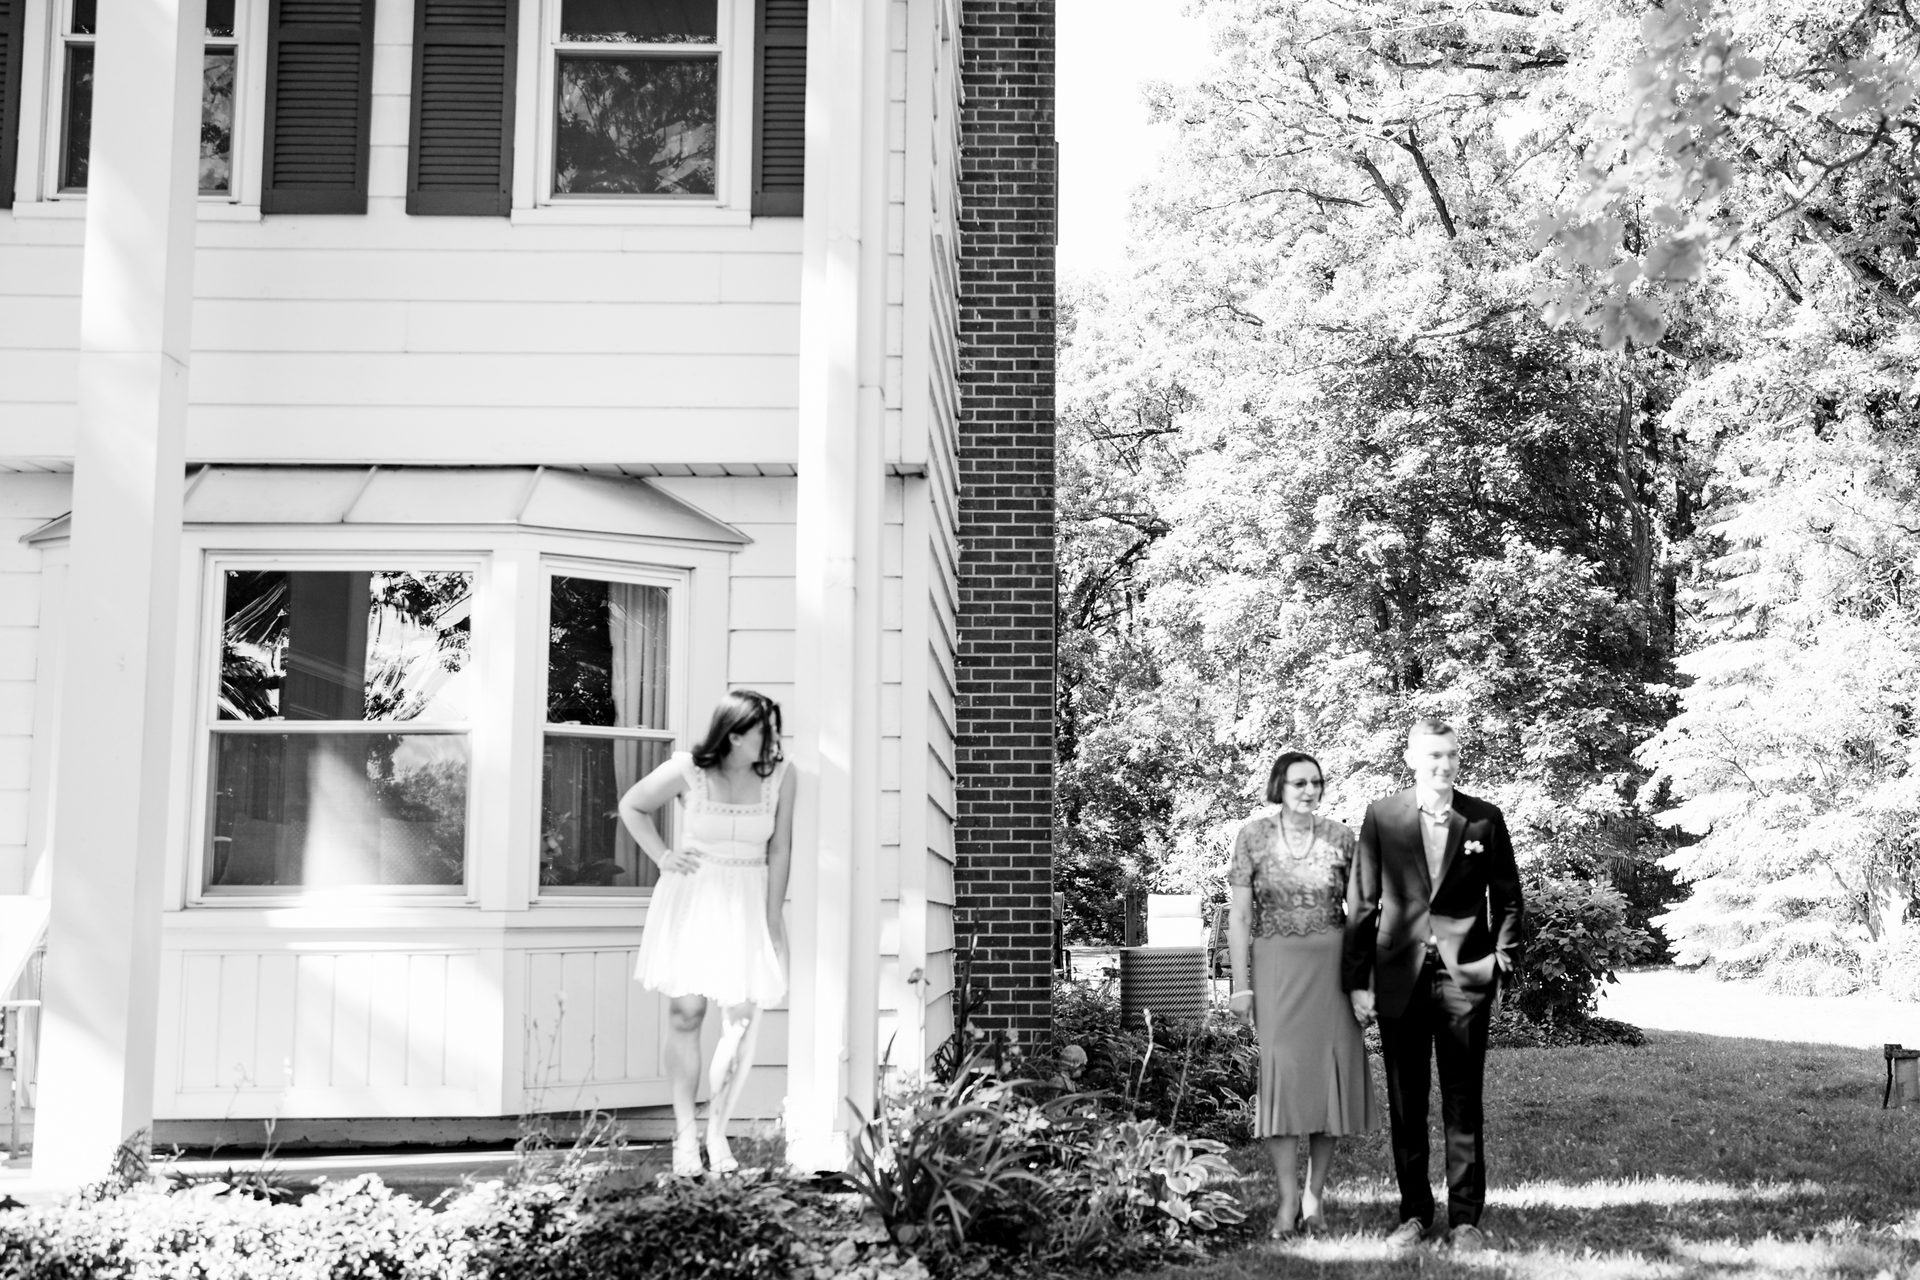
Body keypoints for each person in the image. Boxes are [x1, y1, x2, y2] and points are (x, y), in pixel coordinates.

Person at [1342, 719, 1524, 1253]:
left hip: (1464, 977)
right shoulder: (1383, 816)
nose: (1442, 765)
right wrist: (1358, 983)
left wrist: (1501, 962)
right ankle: (1415, 1213)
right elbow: (1363, 903)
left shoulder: (1484, 819)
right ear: (1411, 758)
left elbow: (1508, 897)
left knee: (1463, 1100)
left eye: (1450, 755)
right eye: (1432, 755)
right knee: (1406, 1100)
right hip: (1399, 977)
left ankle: (1466, 1218)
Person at [620, 690, 796, 1177]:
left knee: (739, 1022)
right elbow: (633, 806)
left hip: (748, 900)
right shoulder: (687, 769)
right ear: (735, 735)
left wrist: (773, 917)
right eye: (764, 731)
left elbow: (780, 849)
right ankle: (684, 1137)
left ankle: (716, 1129)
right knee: (686, 1013)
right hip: (694, 899)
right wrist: (662, 856)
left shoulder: (782, 775)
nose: (773, 741)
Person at [1226, 749, 1381, 1239]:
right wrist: (1240, 986)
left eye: (1316, 782)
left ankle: (1315, 1199)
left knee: (1327, 1080)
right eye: (1299, 783)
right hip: (1276, 973)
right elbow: (1240, 918)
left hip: (1333, 974)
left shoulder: (1341, 837)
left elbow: (1361, 915)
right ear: (1279, 786)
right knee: (1283, 1079)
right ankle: (1286, 1200)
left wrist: (1362, 982)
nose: (1310, 790)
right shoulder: (1251, 837)